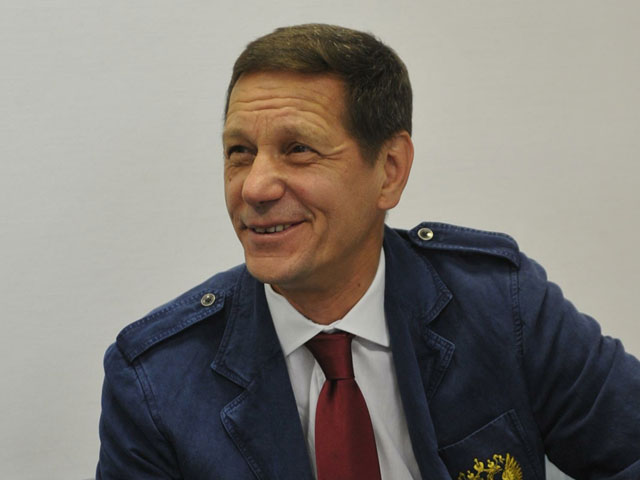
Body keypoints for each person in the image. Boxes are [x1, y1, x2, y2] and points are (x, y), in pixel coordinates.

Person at [96, 24, 640, 480]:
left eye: (298, 149)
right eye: (240, 151)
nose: (255, 187)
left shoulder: (502, 306)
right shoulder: (156, 381)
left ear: (389, 171)